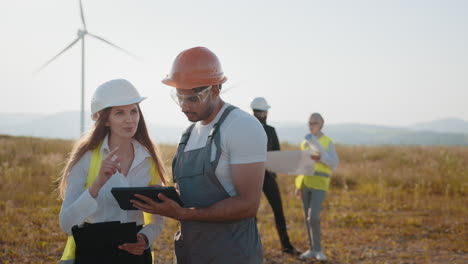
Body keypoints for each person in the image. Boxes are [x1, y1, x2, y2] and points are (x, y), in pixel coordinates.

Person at [131, 47, 267, 264]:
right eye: (179, 98)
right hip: (190, 253)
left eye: (192, 99)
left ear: (215, 90)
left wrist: (184, 215)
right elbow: (187, 193)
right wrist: (163, 197)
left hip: (232, 255)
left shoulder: (242, 127)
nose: (184, 107)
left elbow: (248, 204)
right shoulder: (188, 134)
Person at [58, 79, 167, 264]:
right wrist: (98, 183)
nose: (129, 119)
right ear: (105, 120)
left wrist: (145, 238)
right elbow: (67, 224)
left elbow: (157, 219)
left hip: (135, 254)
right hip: (94, 252)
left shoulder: (149, 159)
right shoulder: (86, 158)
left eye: (133, 111)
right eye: (119, 113)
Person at [250, 97, 300, 255]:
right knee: (253, 213)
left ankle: (285, 246)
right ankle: (254, 248)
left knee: (274, 211)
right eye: (262, 111)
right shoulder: (260, 130)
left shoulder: (260, 129)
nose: (263, 114)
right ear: (262, 112)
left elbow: (277, 154)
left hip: (265, 176)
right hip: (255, 177)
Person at [295, 113, 339, 261]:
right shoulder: (305, 142)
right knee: (307, 218)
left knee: (313, 216)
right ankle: (311, 249)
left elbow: (334, 162)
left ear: (321, 124)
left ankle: (319, 250)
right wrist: (298, 185)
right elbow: (302, 165)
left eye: (314, 122)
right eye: (309, 123)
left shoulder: (327, 142)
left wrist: (320, 158)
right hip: (305, 183)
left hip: (320, 183)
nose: (311, 125)